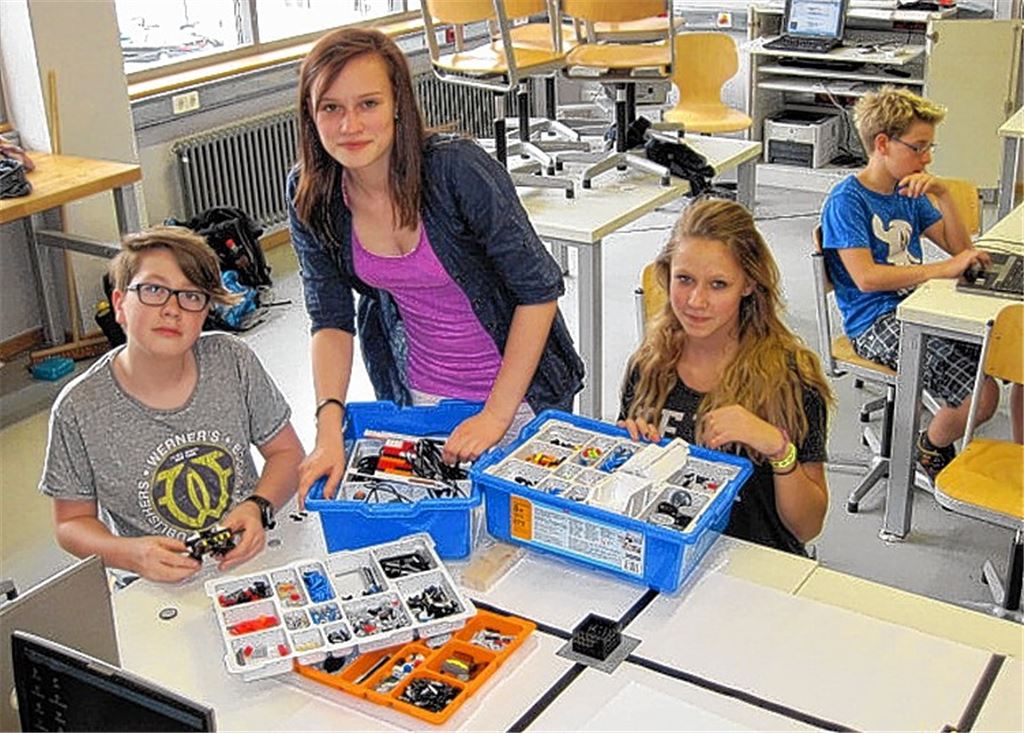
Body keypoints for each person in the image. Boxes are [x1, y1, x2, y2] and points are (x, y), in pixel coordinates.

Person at [288, 28, 584, 504]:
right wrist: (328, 429)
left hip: (522, 394)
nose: (350, 126)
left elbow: (539, 292)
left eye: (368, 104)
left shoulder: (456, 169)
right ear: (310, 115)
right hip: (422, 391)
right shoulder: (312, 195)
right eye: (331, 108)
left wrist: (495, 415)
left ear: (398, 103)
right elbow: (330, 319)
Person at [39, 226, 304, 583]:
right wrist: (130, 554)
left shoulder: (231, 360)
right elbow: (71, 523)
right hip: (152, 581)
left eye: (191, 296)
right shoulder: (78, 409)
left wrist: (258, 507)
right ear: (119, 305)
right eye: (153, 290)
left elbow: (287, 453)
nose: (172, 309)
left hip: (251, 557)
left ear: (206, 311)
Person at [619, 199, 832, 556]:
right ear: (666, 274)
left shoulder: (791, 378)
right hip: (668, 555)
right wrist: (628, 455)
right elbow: (626, 493)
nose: (696, 301)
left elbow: (807, 527)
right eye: (684, 280)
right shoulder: (649, 366)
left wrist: (778, 449)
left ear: (749, 284)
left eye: (718, 285)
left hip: (756, 564)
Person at [821, 86, 1007, 477]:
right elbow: (866, 278)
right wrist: (939, 270)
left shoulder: (909, 190)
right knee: (984, 397)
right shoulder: (847, 201)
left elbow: (961, 250)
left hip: (917, 309)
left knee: (1000, 354)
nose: (926, 158)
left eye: (930, 149)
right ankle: (929, 447)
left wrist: (942, 194)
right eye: (919, 147)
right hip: (875, 323)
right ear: (883, 144)